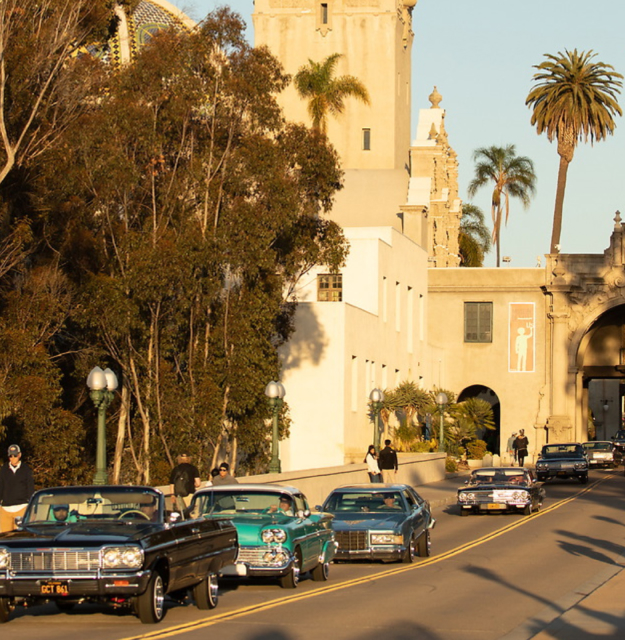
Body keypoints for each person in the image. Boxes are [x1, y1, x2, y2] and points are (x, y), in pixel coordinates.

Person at [0, 444, 35, 533]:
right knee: (5, 537)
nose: (13, 458)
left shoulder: (26, 470)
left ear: (19, 455)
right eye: (10, 456)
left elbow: (30, 488)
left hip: (21, 508)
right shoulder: (3, 470)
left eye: (15, 455)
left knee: (20, 535)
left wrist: (31, 505)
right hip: (5, 509)